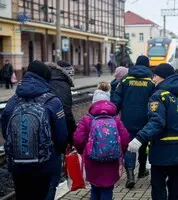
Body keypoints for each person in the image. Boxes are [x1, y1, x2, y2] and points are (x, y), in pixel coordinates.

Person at [1, 60, 68, 200]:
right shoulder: (52, 101)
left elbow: (6, 131)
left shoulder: (13, 101)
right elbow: (61, 137)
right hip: (45, 163)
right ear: (45, 78)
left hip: (17, 163)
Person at [127, 63, 178, 200]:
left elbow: (157, 121)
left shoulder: (159, 96)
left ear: (163, 77)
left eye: (155, 76)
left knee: (158, 186)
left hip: (163, 149)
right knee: (175, 185)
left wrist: (139, 138)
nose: (153, 79)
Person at [73, 83, 130, 200]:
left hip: (92, 161)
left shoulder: (87, 119)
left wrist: (84, 151)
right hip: (112, 161)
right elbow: (125, 139)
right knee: (108, 189)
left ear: (94, 102)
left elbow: (78, 139)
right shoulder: (115, 119)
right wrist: (119, 151)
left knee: (95, 188)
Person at [111, 55, 155, 188]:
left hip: (127, 120)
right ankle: (142, 169)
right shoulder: (150, 81)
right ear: (147, 66)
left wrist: (112, 114)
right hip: (145, 120)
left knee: (129, 146)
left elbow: (116, 99)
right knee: (143, 143)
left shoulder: (125, 80)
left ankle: (130, 175)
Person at [44, 61, 77, 200]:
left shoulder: (26, 85)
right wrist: (71, 139)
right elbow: (66, 115)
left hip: (27, 143)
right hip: (53, 142)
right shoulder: (63, 85)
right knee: (51, 180)